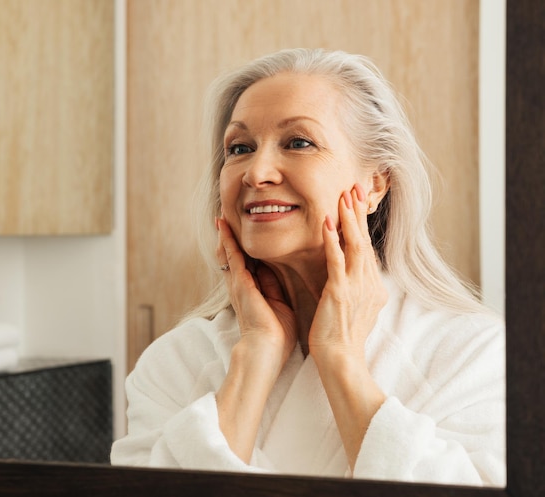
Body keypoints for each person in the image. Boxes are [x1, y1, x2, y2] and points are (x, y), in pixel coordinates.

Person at [110, 48, 505, 487]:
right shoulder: (176, 360)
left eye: (299, 142)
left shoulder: (473, 353)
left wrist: (340, 358)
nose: (256, 172)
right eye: (239, 148)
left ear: (375, 183)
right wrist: (255, 356)